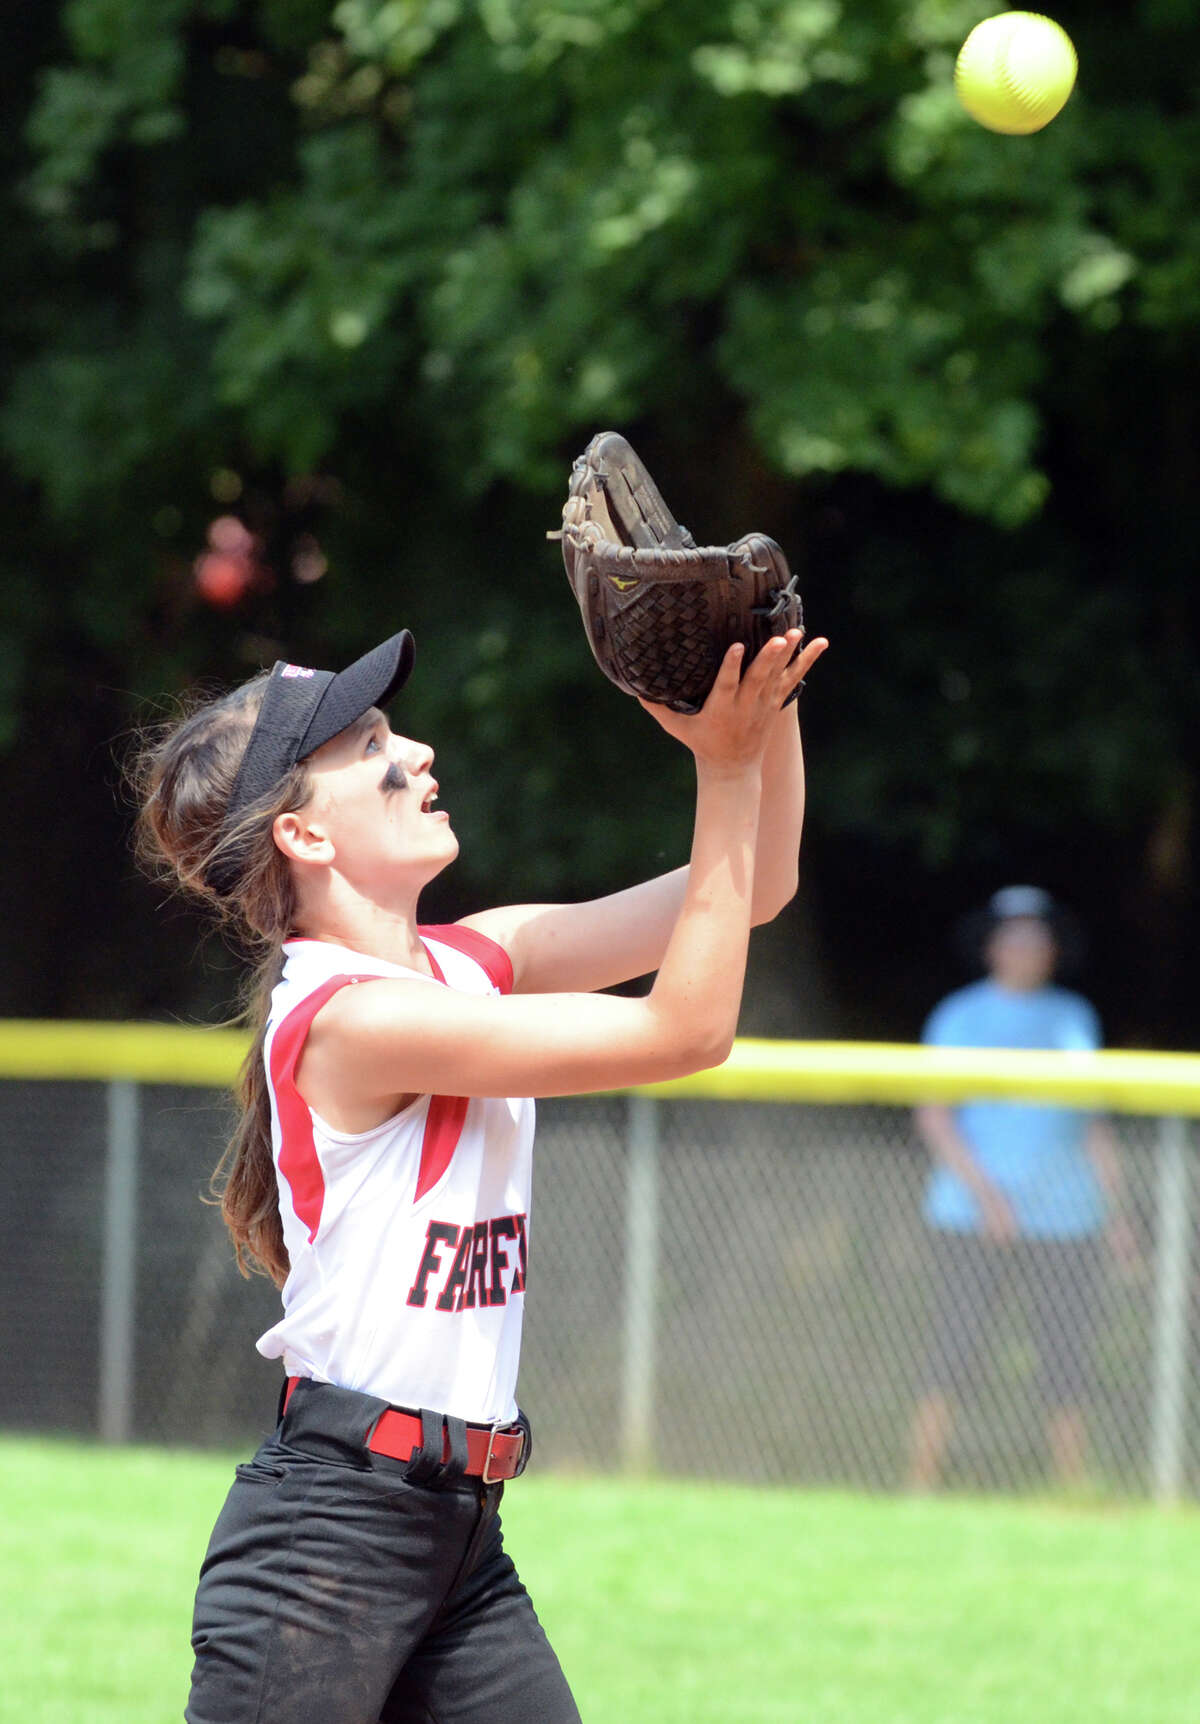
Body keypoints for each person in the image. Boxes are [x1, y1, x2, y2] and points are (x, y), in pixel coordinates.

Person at [132, 617, 827, 1724]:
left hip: (457, 1539)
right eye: (370, 747)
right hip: (327, 1549)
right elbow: (685, 1032)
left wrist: (761, 685)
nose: (416, 754)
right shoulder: (345, 1019)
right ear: (303, 835)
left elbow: (758, 885)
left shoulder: (474, 959)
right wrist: (724, 765)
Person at [905, 885, 1135, 1492]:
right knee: (955, 1349)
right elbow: (934, 1116)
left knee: (1067, 1354)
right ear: (992, 949)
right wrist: (987, 1196)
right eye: (1015, 939)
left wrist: (1116, 1211)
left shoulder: (1074, 1017)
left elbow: (1092, 1123)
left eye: (1039, 939)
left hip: (1068, 1217)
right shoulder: (959, 1015)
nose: (1028, 949)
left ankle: (1071, 1489)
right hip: (972, 1218)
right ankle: (919, 1485)